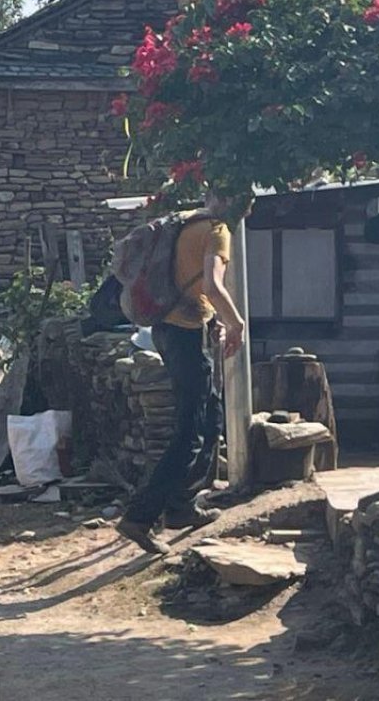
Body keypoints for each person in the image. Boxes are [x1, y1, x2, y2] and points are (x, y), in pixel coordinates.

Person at [115, 193, 246, 555]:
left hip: (169, 327)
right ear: (240, 204)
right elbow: (212, 285)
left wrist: (215, 319)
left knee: (211, 418)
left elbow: (190, 284)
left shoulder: (187, 222)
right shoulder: (218, 231)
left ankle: (181, 506)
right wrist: (237, 324)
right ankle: (140, 517)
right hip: (183, 333)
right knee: (190, 429)